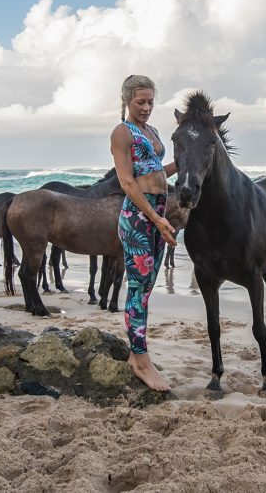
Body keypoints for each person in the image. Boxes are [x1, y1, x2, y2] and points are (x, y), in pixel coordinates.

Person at [110, 75, 178, 391]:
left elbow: (156, 172)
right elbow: (127, 182)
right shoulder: (122, 133)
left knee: (147, 288)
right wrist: (155, 218)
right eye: (141, 102)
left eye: (150, 101)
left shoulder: (152, 131)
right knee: (138, 289)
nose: (147, 107)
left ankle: (137, 354)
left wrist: (187, 160)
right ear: (127, 100)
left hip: (157, 215)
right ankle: (141, 360)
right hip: (138, 218)